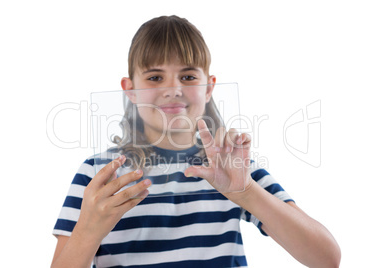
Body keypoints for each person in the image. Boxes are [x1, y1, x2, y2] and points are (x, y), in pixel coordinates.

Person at [51, 15, 341, 268]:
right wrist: (88, 232)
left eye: (188, 76)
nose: (173, 89)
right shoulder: (99, 174)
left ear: (209, 87)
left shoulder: (232, 168)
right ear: (130, 90)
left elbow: (326, 258)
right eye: (154, 77)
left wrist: (246, 192)